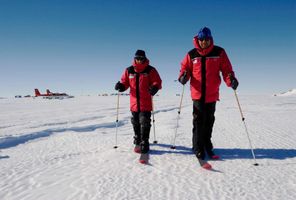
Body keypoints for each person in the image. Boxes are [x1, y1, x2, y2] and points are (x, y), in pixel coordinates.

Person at [178, 27, 239, 160]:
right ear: (198, 40)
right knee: (199, 120)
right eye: (201, 40)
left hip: (212, 93)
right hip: (197, 93)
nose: (203, 42)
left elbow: (226, 69)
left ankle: (206, 144)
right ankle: (197, 147)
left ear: (210, 39)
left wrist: (231, 80)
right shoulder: (192, 54)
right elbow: (185, 68)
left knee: (209, 120)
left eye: (206, 39)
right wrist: (183, 76)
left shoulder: (219, 52)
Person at [115, 50, 162, 154]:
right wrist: (121, 86)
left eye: (141, 58)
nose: (139, 60)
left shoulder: (150, 70)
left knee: (144, 122)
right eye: (137, 58)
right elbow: (125, 82)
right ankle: (137, 138)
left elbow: (157, 81)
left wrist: (155, 87)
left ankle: (145, 141)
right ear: (134, 58)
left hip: (145, 102)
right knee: (135, 122)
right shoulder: (129, 70)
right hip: (134, 103)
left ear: (144, 58)